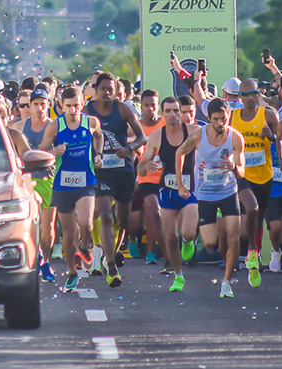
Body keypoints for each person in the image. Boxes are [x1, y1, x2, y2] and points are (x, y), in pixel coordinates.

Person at [84, 72, 146, 288]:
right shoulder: (87, 112)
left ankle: (112, 252)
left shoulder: (123, 109)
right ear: (96, 90)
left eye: (111, 89)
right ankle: (111, 267)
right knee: (105, 215)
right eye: (103, 89)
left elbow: (142, 137)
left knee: (122, 221)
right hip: (100, 171)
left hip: (123, 171)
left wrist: (128, 148)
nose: (107, 93)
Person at [40, 86, 101, 293]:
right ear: (61, 106)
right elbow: (40, 151)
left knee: (86, 223)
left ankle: (84, 247)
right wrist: (52, 151)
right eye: (68, 107)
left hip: (86, 180)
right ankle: (72, 273)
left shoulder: (91, 122)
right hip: (62, 183)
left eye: (76, 105)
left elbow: (99, 136)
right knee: (68, 231)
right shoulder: (54, 127)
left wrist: (98, 154)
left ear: (82, 103)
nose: (73, 110)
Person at [183, 98, 244, 299]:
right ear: (208, 119)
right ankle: (202, 237)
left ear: (228, 117)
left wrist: (234, 167)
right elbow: (179, 153)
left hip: (228, 191)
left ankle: (226, 282)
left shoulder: (235, 138)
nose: (220, 123)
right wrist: (180, 181)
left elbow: (242, 170)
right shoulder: (198, 135)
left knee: (234, 237)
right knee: (209, 244)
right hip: (205, 194)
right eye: (216, 119)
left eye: (223, 119)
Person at [138, 95, 201, 291]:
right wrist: (145, 165)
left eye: (177, 111)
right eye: (169, 111)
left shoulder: (194, 132)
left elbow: (210, 152)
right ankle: (178, 275)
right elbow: (140, 168)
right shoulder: (157, 136)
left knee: (188, 232)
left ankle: (188, 241)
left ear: (182, 112)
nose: (173, 115)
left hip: (189, 190)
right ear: (162, 113)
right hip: (167, 190)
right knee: (170, 237)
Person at [228, 78, 278, 289]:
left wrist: (272, 136)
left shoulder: (267, 115)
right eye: (244, 94)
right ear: (239, 97)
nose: (249, 98)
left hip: (264, 175)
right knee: (251, 209)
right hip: (242, 174)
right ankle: (250, 251)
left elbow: (281, 139)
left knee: (258, 220)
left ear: (259, 93)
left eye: (253, 93)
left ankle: (254, 257)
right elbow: (224, 140)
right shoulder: (233, 116)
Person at [20, 90, 58, 281]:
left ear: (48, 105)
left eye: (43, 104)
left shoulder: (55, 127)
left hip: (48, 179)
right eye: (36, 104)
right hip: (27, 180)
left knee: (47, 227)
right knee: (28, 223)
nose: (39, 108)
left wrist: (56, 151)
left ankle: (46, 262)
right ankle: (32, 258)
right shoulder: (20, 127)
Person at [129, 89, 164, 263]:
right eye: (147, 105)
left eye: (153, 106)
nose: (151, 109)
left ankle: (151, 251)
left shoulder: (165, 124)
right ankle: (133, 237)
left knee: (153, 212)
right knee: (137, 222)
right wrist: (136, 147)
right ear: (141, 107)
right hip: (145, 176)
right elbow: (129, 144)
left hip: (165, 178)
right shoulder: (138, 126)